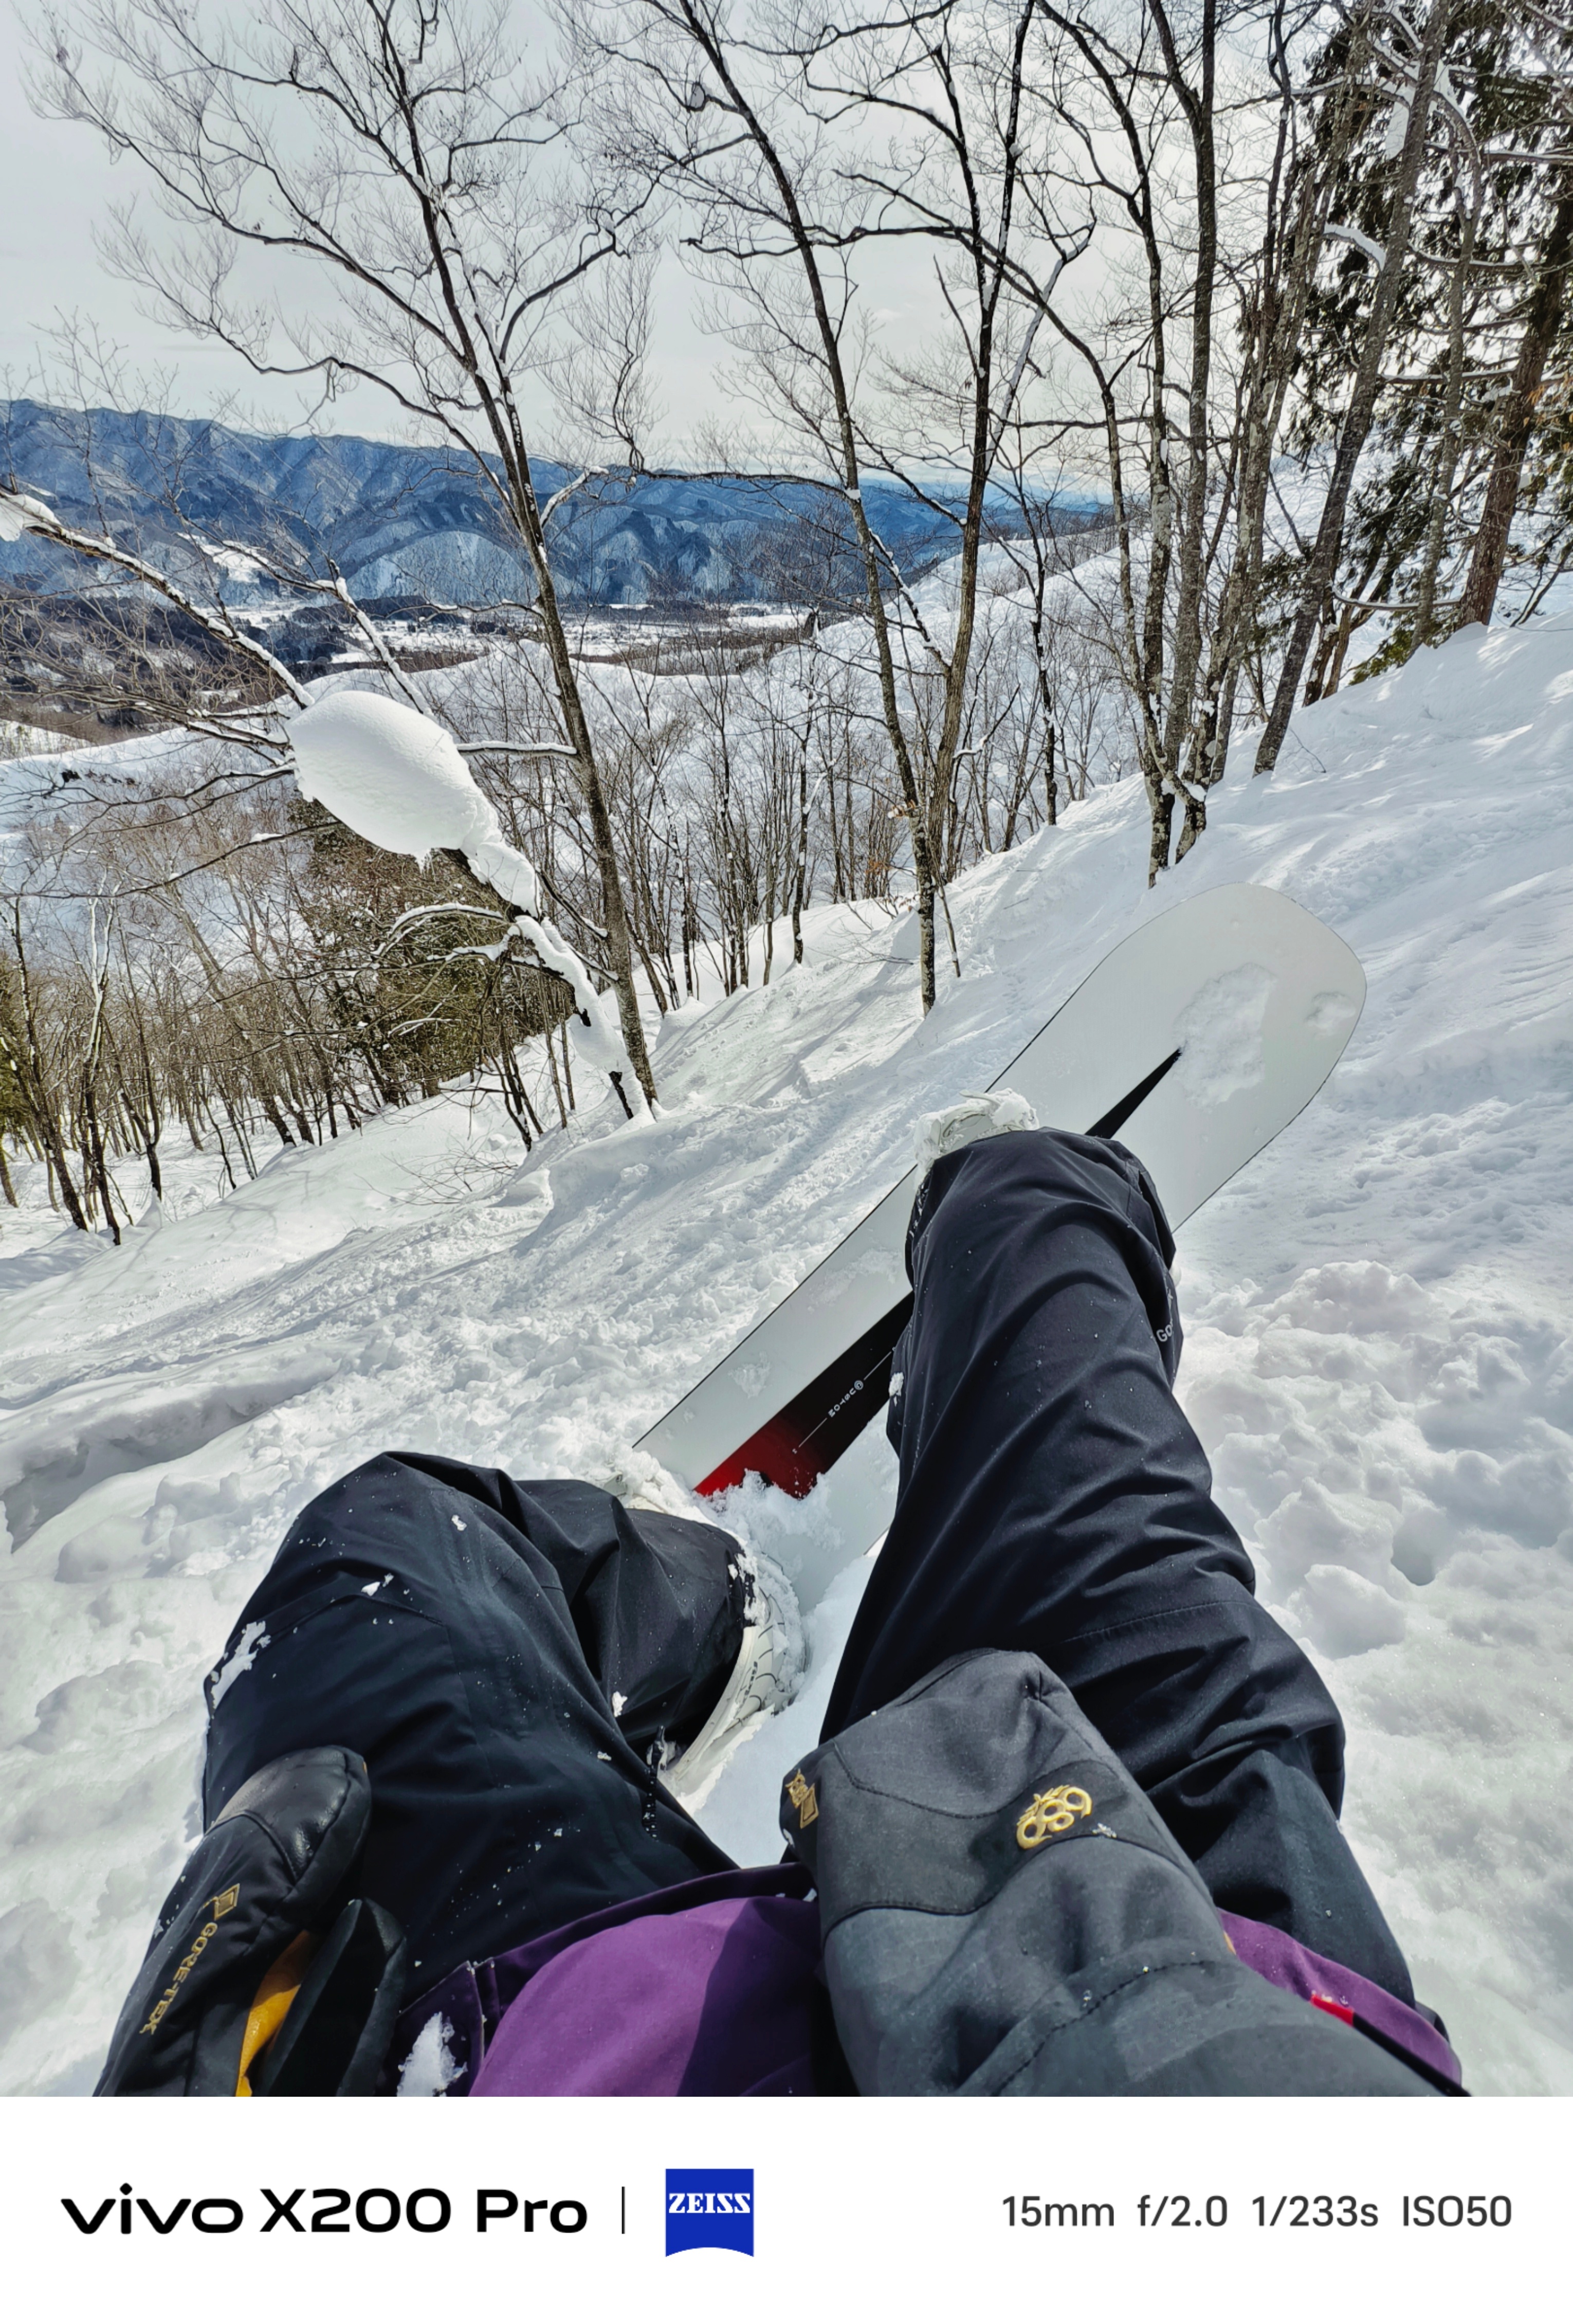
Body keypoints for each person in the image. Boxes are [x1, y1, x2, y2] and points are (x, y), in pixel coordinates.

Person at [96, 1117, 1462, 2097]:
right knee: (1036, 1256)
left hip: (541, 2046)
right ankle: (1018, 1197)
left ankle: (710, 1602)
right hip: (1166, 1943)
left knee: (385, 1538)